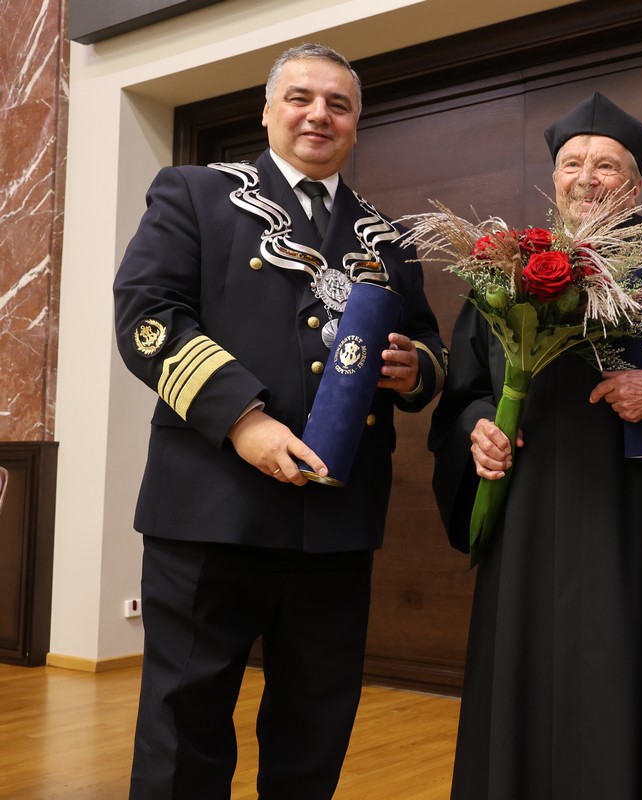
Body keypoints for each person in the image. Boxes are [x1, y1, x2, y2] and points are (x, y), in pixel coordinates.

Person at [112, 43, 446, 799]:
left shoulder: (384, 236)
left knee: (314, 727)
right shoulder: (195, 192)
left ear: (357, 124)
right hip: (210, 509)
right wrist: (243, 420)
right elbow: (148, 318)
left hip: (334, 517)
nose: (318, 114)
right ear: (266, 111)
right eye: (300, 97)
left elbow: (429, 345)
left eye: (338, 103)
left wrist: (415, 368)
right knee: (184, 727)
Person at [429, 92, 642, 800]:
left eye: (605, 166)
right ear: (554, 182)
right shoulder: (505, 269)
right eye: (572, 163)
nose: (585, 177)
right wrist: (478, 428)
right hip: (528, 530)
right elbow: (462, 394)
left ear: (636, 187)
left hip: (636, 531)